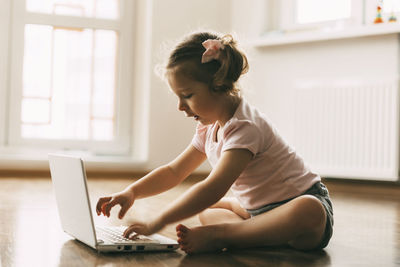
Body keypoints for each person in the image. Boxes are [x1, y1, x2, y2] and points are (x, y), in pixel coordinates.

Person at [96, 31, 334, 254]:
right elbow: (174, 171)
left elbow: (213, 187)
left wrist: (157, 222)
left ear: (218, 84)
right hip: (257, 213)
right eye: (178, 97)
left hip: (300, 210)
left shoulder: (244, 127)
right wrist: (132, 192)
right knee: (209, 211)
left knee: (308, 209)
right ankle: (248, 234)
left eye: (187, 96)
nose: (180, 107)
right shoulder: (208, 128)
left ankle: (224, 234)